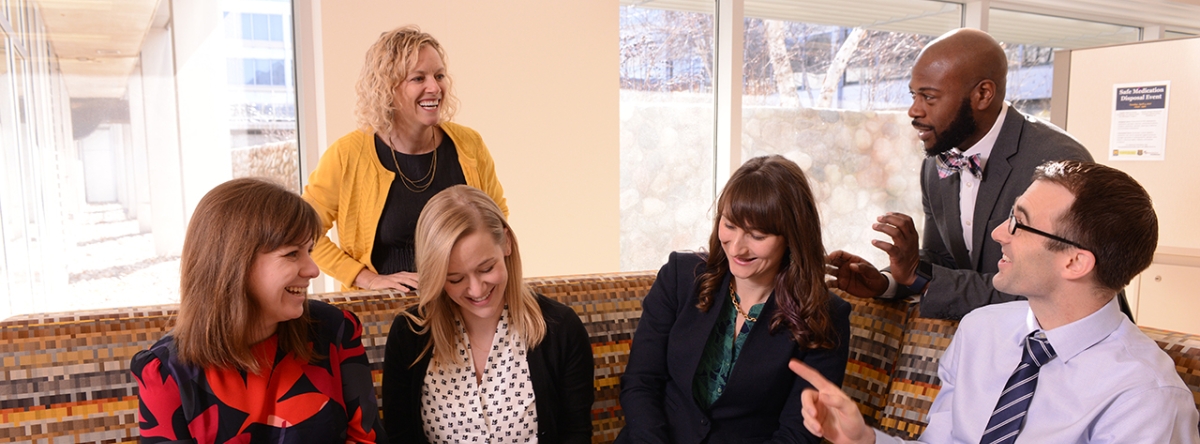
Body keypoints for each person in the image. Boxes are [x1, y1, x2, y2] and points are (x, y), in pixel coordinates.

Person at [792, 160, 1200, 444]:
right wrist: (866, 440)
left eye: (1019, 223)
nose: (999, 233)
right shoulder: (981, 329)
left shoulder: (1147, 396)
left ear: (1075, 261)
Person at [825, 28, 1123, 321]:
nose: (913, 110)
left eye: (929, 97)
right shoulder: (938, 159)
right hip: (988, 337)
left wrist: (919, 276)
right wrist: (889, 281)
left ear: (983, 94)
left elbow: (1049, 287)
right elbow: (944, 262)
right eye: (914, 94)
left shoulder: (1059, 163)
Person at [617, 155, 852, 444]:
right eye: (729, 225)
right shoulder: (679, 277)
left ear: (792, 237)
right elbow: (641, 383)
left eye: (757, 235)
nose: (738, 247)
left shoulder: (826, 315)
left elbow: (797, 435)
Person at [131, 178, 384, 443]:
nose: (313, 269)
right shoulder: (165, 372)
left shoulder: (336, 330)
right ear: (235, 263)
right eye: (291, 254)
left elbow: (367, 438)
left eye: (308, 251)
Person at [382, 185, 593, 444]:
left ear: (507, 243)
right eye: (455, 278)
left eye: (486, 268)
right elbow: (399, 435)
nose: (476, 289)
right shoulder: (411, 333)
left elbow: (576, 434)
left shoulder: (559, 328)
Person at [303, 25, 507, 292]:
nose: (434, 87)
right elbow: (303, 232)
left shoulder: (469, 144)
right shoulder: (346, 156)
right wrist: (366, 278)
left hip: (460, 302)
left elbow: (497, 218)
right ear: (387, 88)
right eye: (418, 78)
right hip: (384, 313)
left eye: (439, 75)